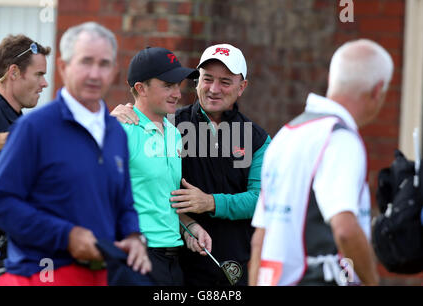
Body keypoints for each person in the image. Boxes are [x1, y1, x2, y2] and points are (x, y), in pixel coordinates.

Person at [0, 22, 150, 286]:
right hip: (41, 273)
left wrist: (133, 236)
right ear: (64, 67)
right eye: (85, 62)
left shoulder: (116, 132)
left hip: (103, 273)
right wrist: (67, 236)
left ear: (114, 71)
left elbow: (124, 203)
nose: (95, 74)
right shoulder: (33, 128)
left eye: (104, 64)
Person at [112, 43, 271, 286]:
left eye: (225, 82)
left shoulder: (257, 139)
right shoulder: (170, 123)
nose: (214, 89)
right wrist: (114, 118)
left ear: (242, 87)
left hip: (230, 270)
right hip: (173, 264)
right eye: (207, 79)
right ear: (197, 81)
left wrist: (210, 203)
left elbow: (262, 199)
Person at [249, 39, 393, 286]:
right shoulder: (339, 139)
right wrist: (372, 282)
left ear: (332, 79)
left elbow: (260, 238)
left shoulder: (287, 133)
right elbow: (345, 229)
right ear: (377, 90)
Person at [121, 46, 212, 285]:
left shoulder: (173, 133)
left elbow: (162, 199)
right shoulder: (120, 132)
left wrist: (190, 226)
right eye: (167, 85)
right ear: (141, 88)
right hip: (137, 259)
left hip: (173, 262)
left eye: (178, 85)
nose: (177, 93)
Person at [0, 34, 50, 286]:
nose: (45, 83)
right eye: (39, 74)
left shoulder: (21, 122)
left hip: (12, 252)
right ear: (14, 72)